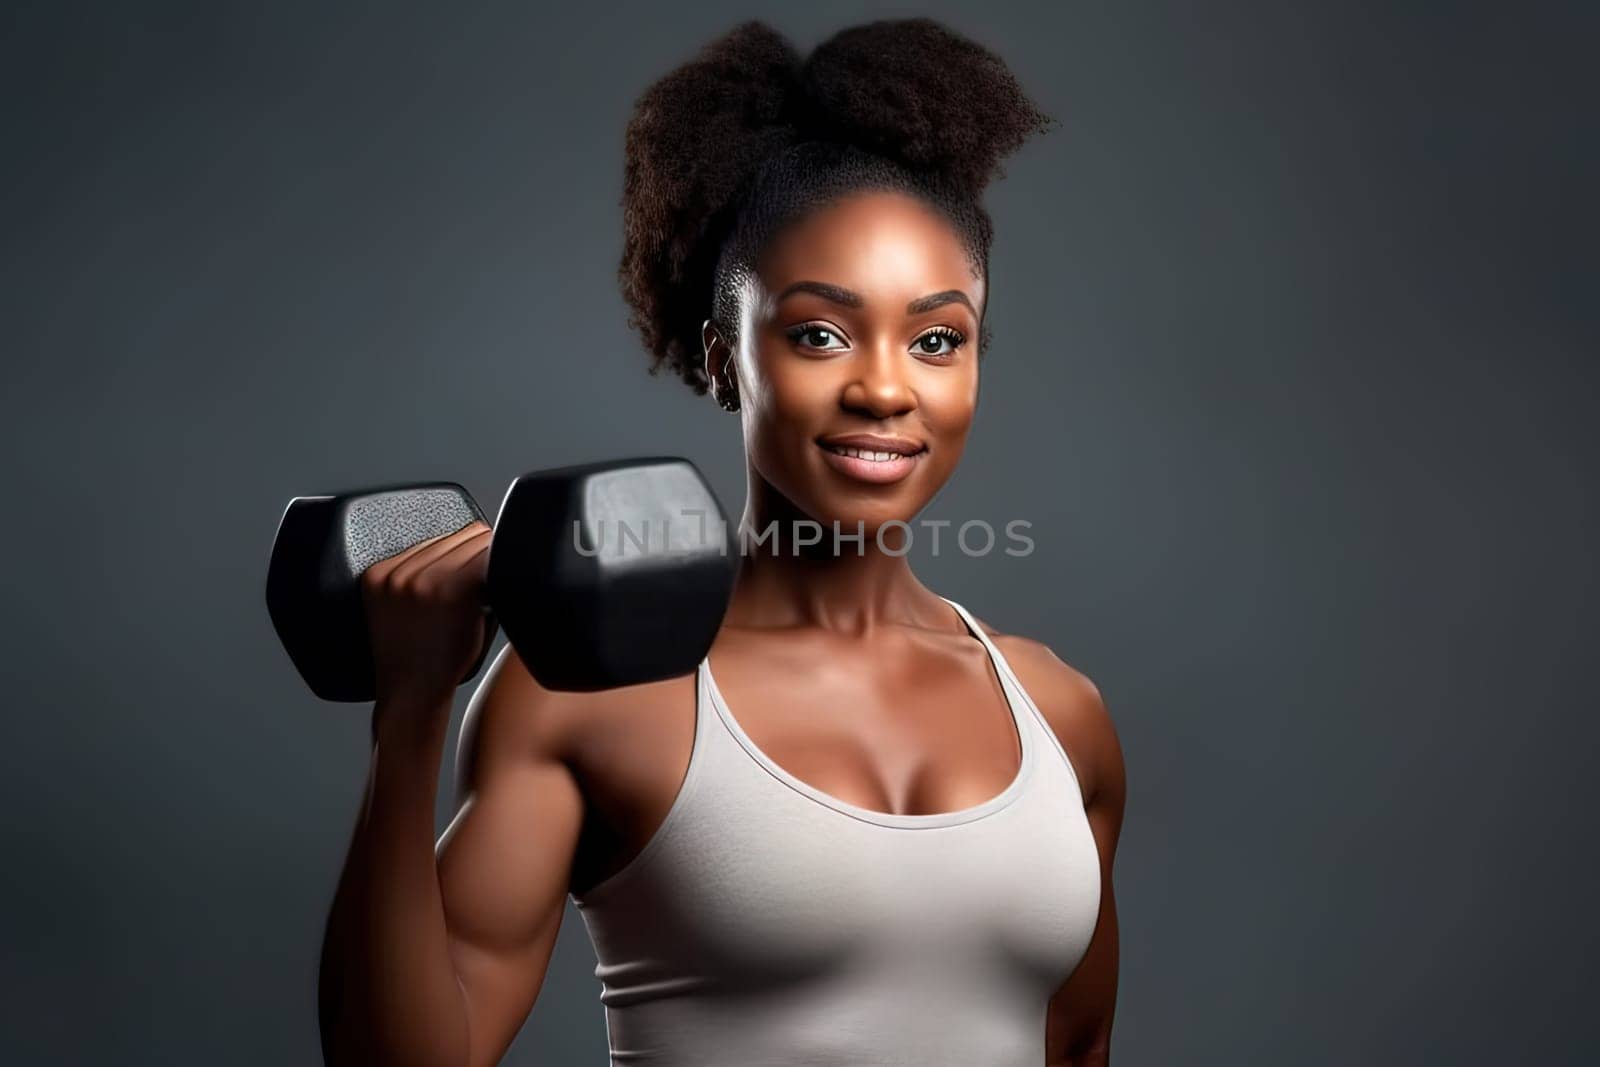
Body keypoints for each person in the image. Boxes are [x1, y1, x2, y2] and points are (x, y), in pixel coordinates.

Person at [317, 18, 1126, 1067]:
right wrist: (412, 710)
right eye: (819, 333)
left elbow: (1078, 1042)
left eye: (936, 339)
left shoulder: (1062, 714)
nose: (885, 387)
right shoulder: (589, 696)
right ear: (722, 358)